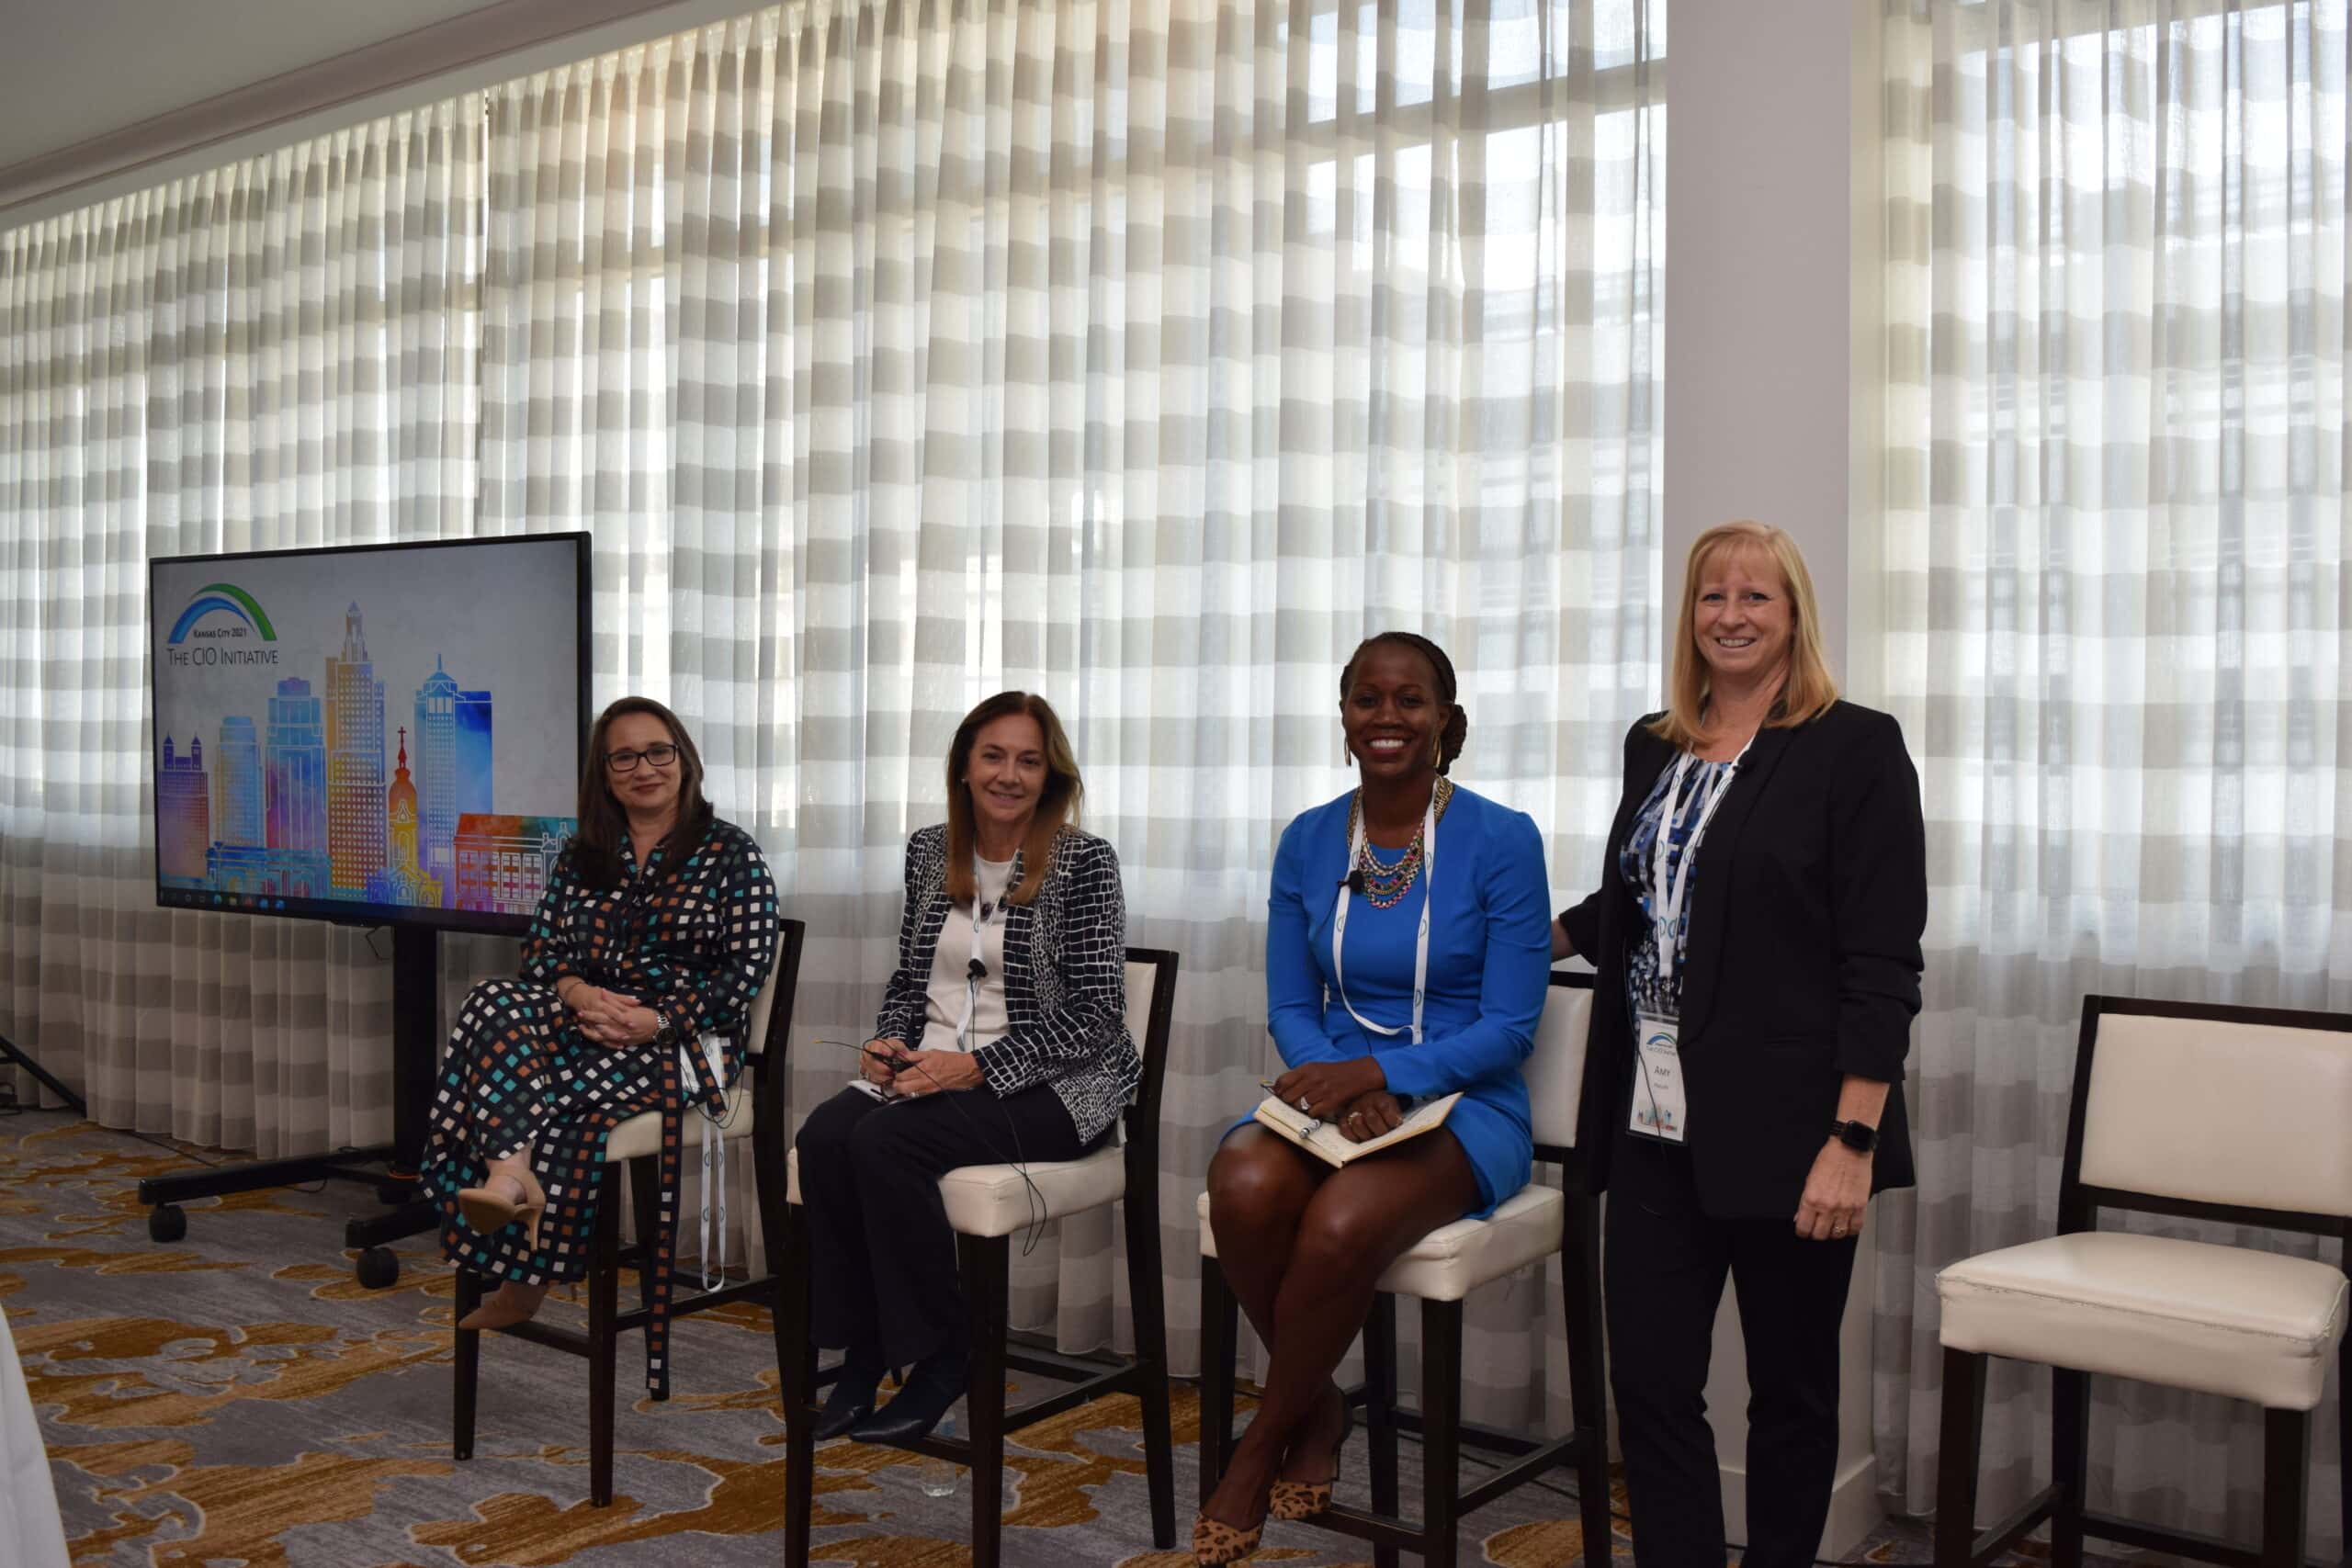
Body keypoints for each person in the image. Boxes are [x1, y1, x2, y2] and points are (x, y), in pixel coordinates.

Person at [1555, 521, 1926, 1568]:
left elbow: (1881, 962)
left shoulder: (1854, 748)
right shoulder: (1654, 741)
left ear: (1793, 614)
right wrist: (1520, 934)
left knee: (1792, 1394)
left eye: (1754, 597)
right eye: (1712, 596)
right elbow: (1643, 896)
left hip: (1797, 1128)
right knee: (1653, 1386)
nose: (1730, 615)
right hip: (1650, 1120)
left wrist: (1851, 1139)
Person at [1194, 632, 1552, 1565]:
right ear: (1344, 718)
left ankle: (1264, 1441)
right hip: (1332, 1090)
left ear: (1448, 721)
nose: (1386, 717)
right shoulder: (1307, 840)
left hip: (1466, 1104)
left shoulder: (1503, 840)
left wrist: (1383, 1077)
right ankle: (1317, 1400)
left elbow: (1512, 1025)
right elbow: (1288, 1002)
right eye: (1366, 699)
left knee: (1344, 1218)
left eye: (1409, 700)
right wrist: (1336, 1079)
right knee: (1239, 1179)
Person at [793, 691, 1139, 1446]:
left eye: (1028, 759)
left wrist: (976, 1067)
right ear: (964, 766)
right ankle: (866, 1350)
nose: (1009, 774)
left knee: (885, 1144)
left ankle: (949, 1353)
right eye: (993, 755)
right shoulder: (928, 849)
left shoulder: (1083, 861)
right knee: (823, 1136)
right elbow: (909, 981)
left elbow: (1096, 1014)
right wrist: (888, 1042)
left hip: (1056, 1088)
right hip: (932, 1069)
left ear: (1050, 775)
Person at [420, 696, 780, 1395]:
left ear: (683, 759)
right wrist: (579, 995)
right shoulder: (584, 854)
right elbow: (545, 950)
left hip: (685, 1043)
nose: (644, 767)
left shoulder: (732, 853)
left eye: (658, 751)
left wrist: (657, 1018)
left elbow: (745, 972)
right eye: (625, 756)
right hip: (583, 1026)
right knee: (490, 1001)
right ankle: (511, 1175)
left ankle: (521, 1254)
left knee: (514, 1088)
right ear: (605, 773)